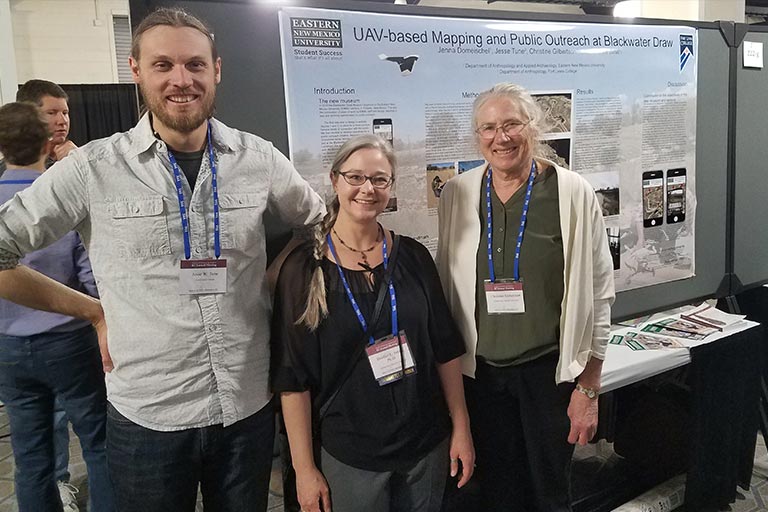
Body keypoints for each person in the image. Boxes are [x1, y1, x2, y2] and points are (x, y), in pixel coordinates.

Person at [0, 7, 324, 512]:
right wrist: (92, 311)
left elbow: (319, 222)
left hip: (246, 407)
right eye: (163, 65)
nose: (181, 80)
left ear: (216, 70)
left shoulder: (257, 159)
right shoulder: (93, 169)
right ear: (136, 70)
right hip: (148, 415)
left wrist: (277, 287)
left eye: (195, 65)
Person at [436, 83, 615, 512]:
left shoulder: (572, 192)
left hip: (548, 375)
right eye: (489, 128)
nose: (502, 138)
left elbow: (600, 295)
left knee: (550, 493)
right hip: (481, 378)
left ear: (532, 128)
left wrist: (588, 389)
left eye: (512, 124)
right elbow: (447, 286)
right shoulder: (457, 194)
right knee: (499, 490)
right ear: (477, 136)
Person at [272, 134, 474, 512]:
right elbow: (291, 379)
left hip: (424, 447)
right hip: (351, 457)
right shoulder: (304, 270)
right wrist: (304, 469)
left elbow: (445, 348)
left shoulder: (413, 256)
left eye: (379, 179)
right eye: (356, 177)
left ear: (390, 187)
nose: (367, 189)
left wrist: (460, 427)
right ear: (334, 181)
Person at [0, 102, 113, 512]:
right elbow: (89, 276)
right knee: (99, 442)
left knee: (30, 456)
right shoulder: (58, 201)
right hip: (70, 343)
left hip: (9, 352)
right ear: (49, 142)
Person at [16, 78, 81, 510]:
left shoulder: (76, 163)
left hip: (74, 323)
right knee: (44, 432)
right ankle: (58, 486)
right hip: (33, 327)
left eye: (64, 112)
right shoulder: (18, 178)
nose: (60, 121)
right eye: (50, 113)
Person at [16, 79, 78, 167]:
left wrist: (79, 161)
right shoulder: (16, 167)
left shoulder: (74, 156)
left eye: (65, 113)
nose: (63, 121)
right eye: (51, 113)